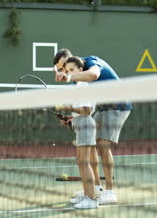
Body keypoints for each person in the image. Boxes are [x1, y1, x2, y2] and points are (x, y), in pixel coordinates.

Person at [53, 49, 132, 204]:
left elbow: (94, 75)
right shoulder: (78, 80)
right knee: (91, 144)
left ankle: (110, 192)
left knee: (103, 144)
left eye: (65, 66)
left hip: (118, 104)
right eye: (61, 69)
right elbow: (89, 104)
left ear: (71, 59)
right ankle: (96, 188)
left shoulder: (90, 62)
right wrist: (73, 117)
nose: (64, 71)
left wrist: (69, 76)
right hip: (102, 107)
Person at [55, 56, 98, 209]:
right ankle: (86, 194)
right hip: (81, 123)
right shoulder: (78, 87)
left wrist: (68, 108)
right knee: (80, 162)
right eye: (67, 71)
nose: (69, 73)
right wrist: (70, 118)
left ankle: (92, 199)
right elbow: (81, 112)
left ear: (80, 70)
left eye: (72, 70)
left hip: (86, 124)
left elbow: (86, 110)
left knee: (84, 162)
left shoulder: (83, 86)